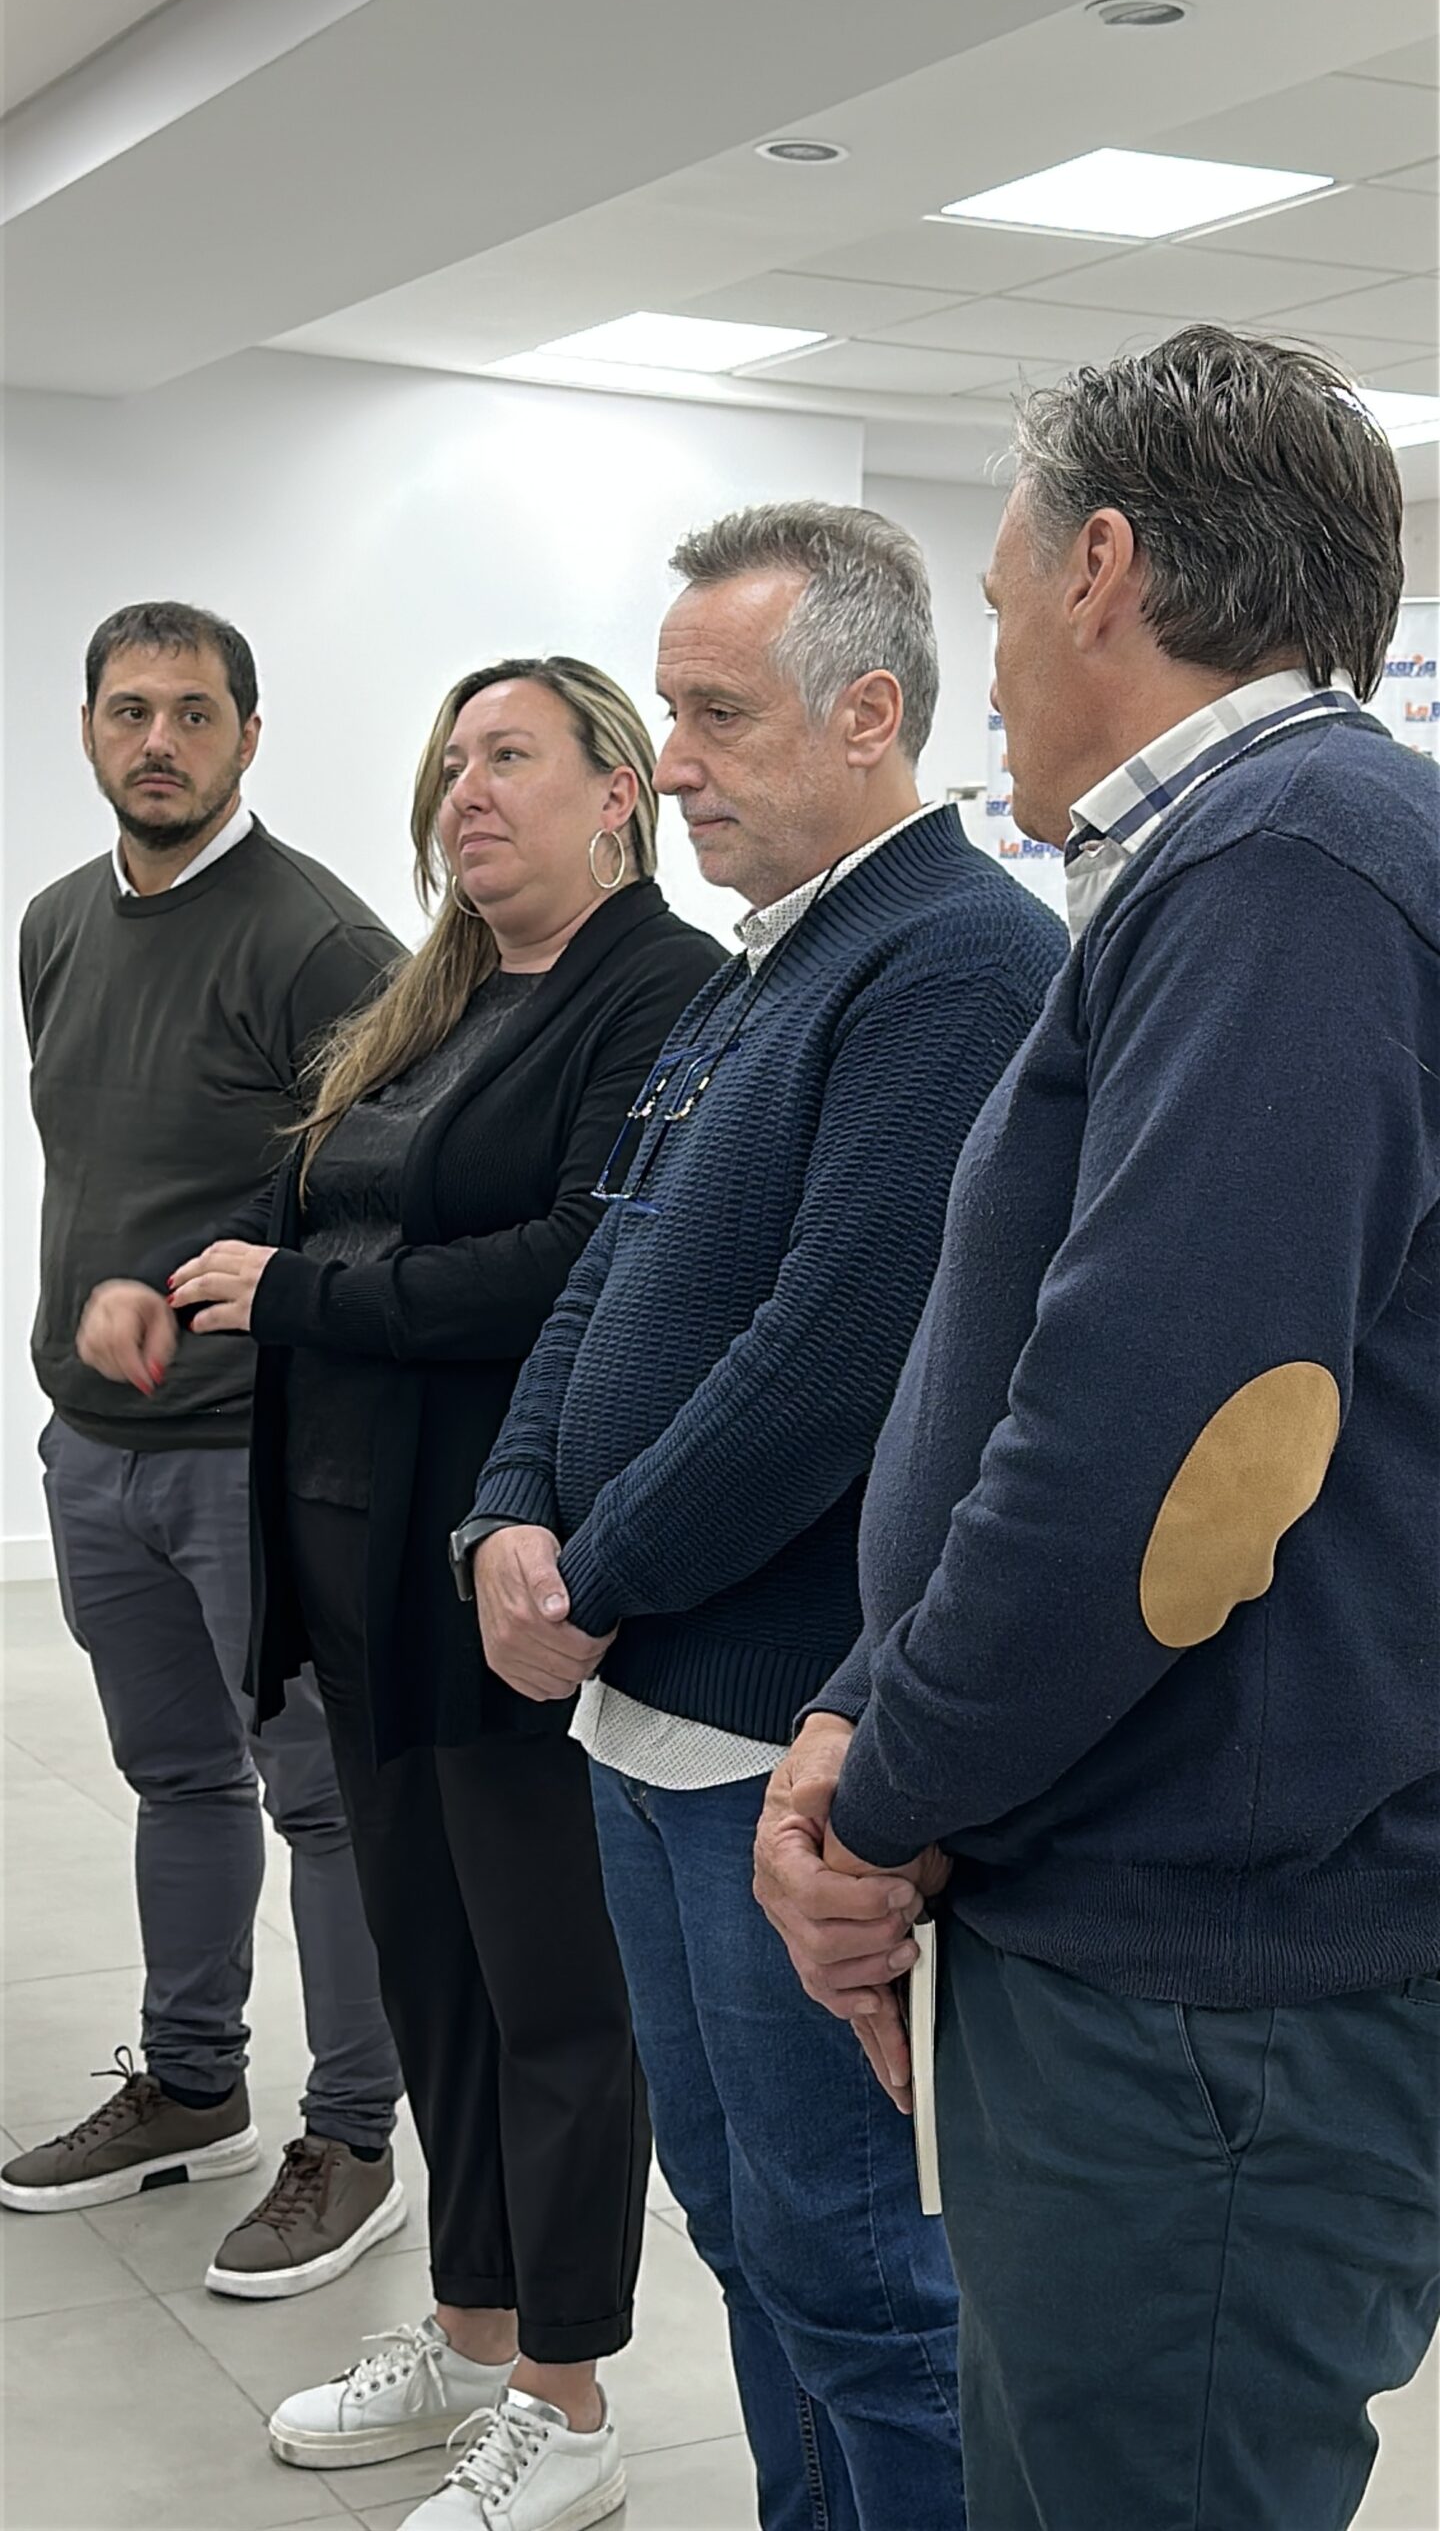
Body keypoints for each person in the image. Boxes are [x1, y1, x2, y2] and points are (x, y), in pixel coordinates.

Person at [756, 330, 1440, 2531]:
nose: (991, 666)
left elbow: (1174, 1466)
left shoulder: (1291, 863)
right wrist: (870, 1705)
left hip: (1206, 1983)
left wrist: (888, 1790)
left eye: (993, 600)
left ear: (1103, 569)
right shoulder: (1247, 857)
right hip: (1145, 1919)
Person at [462, 506, 1067, 2531]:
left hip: (774, 1731)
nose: (672, 764)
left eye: (717, 715)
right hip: (650, 1718)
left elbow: (832, 1358)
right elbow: (605, 1280)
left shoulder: (956, 962)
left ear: (869, 713)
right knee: (742, 2224)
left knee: (864, 2278)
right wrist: (506, 1512)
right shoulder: (768, 965)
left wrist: (593, 1574)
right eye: (673, 713)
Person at [135, 657, 722, 2531]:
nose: (466, 789)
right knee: (434, 1974)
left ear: (617, 792)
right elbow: (315, 1201)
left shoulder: (665, 995)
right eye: (452, 759)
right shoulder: (437, 999)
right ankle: (472, 2331)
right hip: (354, 1560)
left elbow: (575, 1267)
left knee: (551, 1990)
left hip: (505, 1566)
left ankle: (570, 2399)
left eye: (510, 756)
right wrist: (201, 1275)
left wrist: (302, 1296)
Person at [9, 600, 406, 2299]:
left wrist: (219, 1288)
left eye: (192, 712)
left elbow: (399, 1189)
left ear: (250, 735)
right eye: (128, 711)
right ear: (88, 731)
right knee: (174, 1780)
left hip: (256, 1454)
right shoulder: (54, 924)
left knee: (323, 1803)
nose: (157, 741)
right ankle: (191, 2084)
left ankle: (355, 2138)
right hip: (93, 1448)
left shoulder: (321, 941)